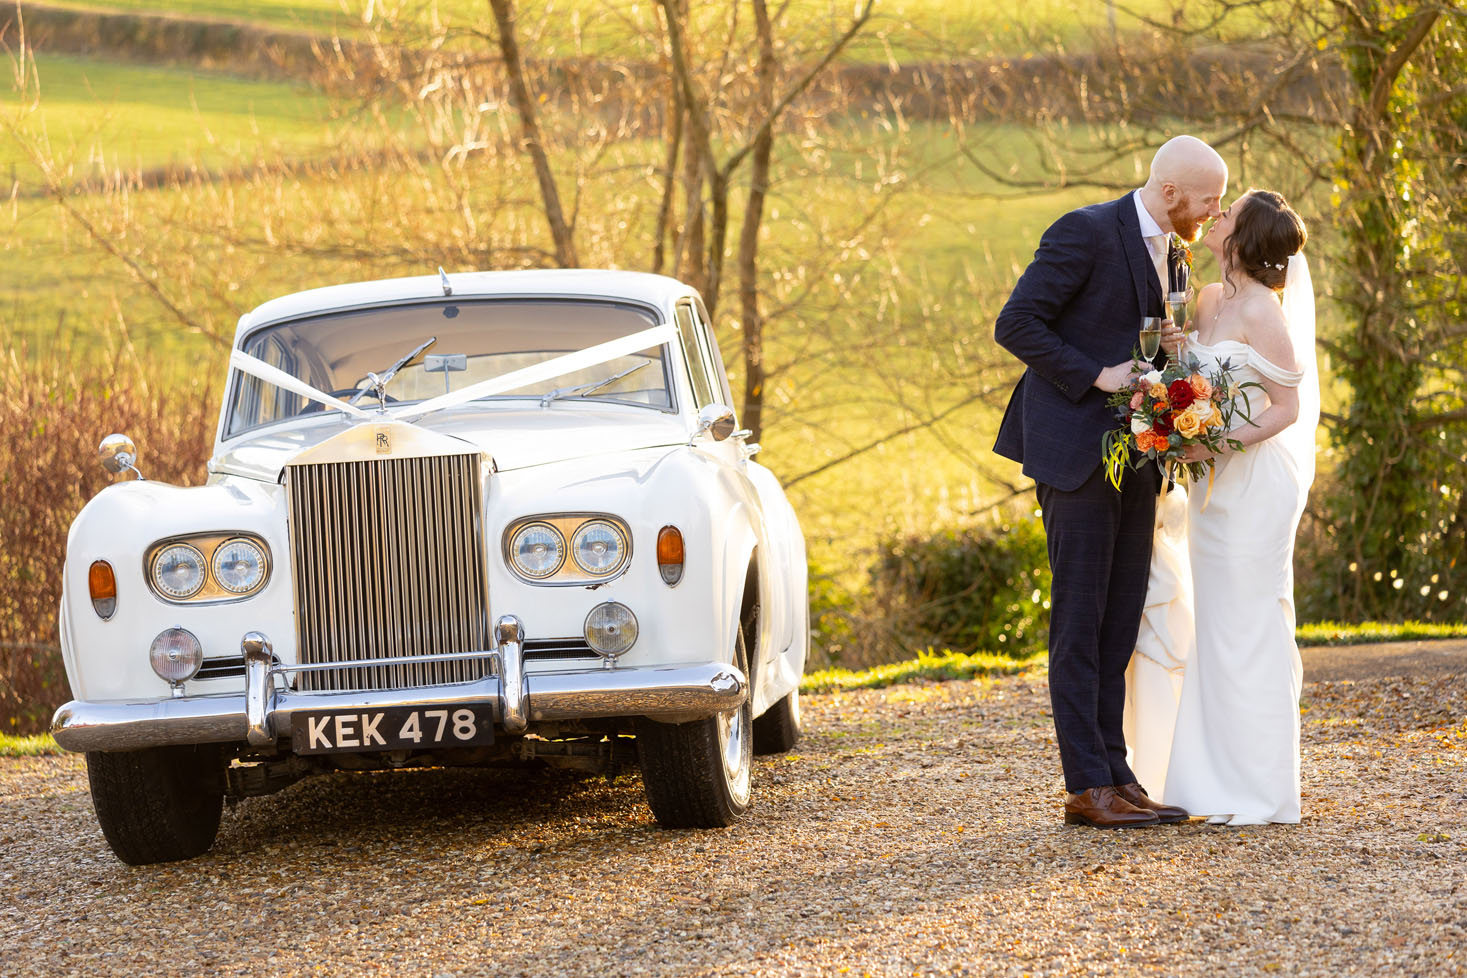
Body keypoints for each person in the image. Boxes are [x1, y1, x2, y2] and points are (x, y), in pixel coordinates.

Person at [993, 135, 1227, 828]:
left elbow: (1147, 340)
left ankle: (1116, 775)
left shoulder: (1175, 252)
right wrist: (1097, 375)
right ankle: (1083, 785)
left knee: (1120, 613)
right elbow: (1016, 324)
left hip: (1138, 457)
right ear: (1168, 192)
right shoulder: (1085, 231)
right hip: (1073, 452)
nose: (1213, 212)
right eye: (1207, 198)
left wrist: (1173, 366)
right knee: (1079, 618)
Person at [1128, 189, 1317, 825]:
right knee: (1215, 626)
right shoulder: (1208, 297)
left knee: (1248, 627)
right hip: (1209, 494)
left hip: (1253, 489)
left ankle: (1261, 789)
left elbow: (1285, 409)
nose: (1216, 218)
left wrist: (1216, 442)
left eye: (1228, 214)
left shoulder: (1265, 312)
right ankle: (1205, 781)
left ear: (1242, 240)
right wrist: (1172, 386)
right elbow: (1194, 375)